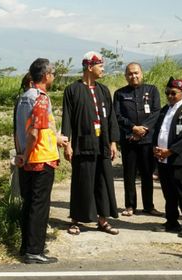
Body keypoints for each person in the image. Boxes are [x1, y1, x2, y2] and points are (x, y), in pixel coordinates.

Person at [14, 58, 68, 264]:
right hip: (39, 159)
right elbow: (35, 133)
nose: (53, 77)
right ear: (46, 76)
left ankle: (26, 246)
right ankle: (35, 250)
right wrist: (27, 155)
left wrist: (21, 156)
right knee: (40, 206)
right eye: (52, 73)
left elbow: (20, 130)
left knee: (29, 204)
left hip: (25, 159)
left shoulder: (23, 97)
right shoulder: (41, 99)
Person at [61, 51, 119, 235]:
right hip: (82, 143)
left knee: (103, 181)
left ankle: (102, 220)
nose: (103, 69)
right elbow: (67, 119)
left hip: (102, 144)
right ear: (89, 66)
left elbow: (111, 118)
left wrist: (113, 142)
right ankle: (76, 220)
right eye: (100, 65)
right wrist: (68, 144)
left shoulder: (103, 90)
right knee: (82, 182)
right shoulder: (72, 90)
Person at [114, 62, 162, 217]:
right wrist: (133, 128)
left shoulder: (152, 90)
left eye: (136, 73)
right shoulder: (120, 94)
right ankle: (130, 206)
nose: (133, 76)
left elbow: (156, 112)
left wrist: (144, 129)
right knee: (129, 174)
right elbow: (117, 115)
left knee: (147, 174)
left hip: (147, 140)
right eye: (130, 74)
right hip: (129, 140)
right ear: (125, 76)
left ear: (141, 73)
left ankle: (149, 206)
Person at [153, 77, 182, 238]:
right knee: (168, 192)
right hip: (163, 158)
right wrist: (155, 147)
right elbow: (158, 130)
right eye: (167, 93)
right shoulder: (166, 109)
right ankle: (171, 221)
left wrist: (170, 151)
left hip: (178, 159)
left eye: (173, 93)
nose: (170, 96)